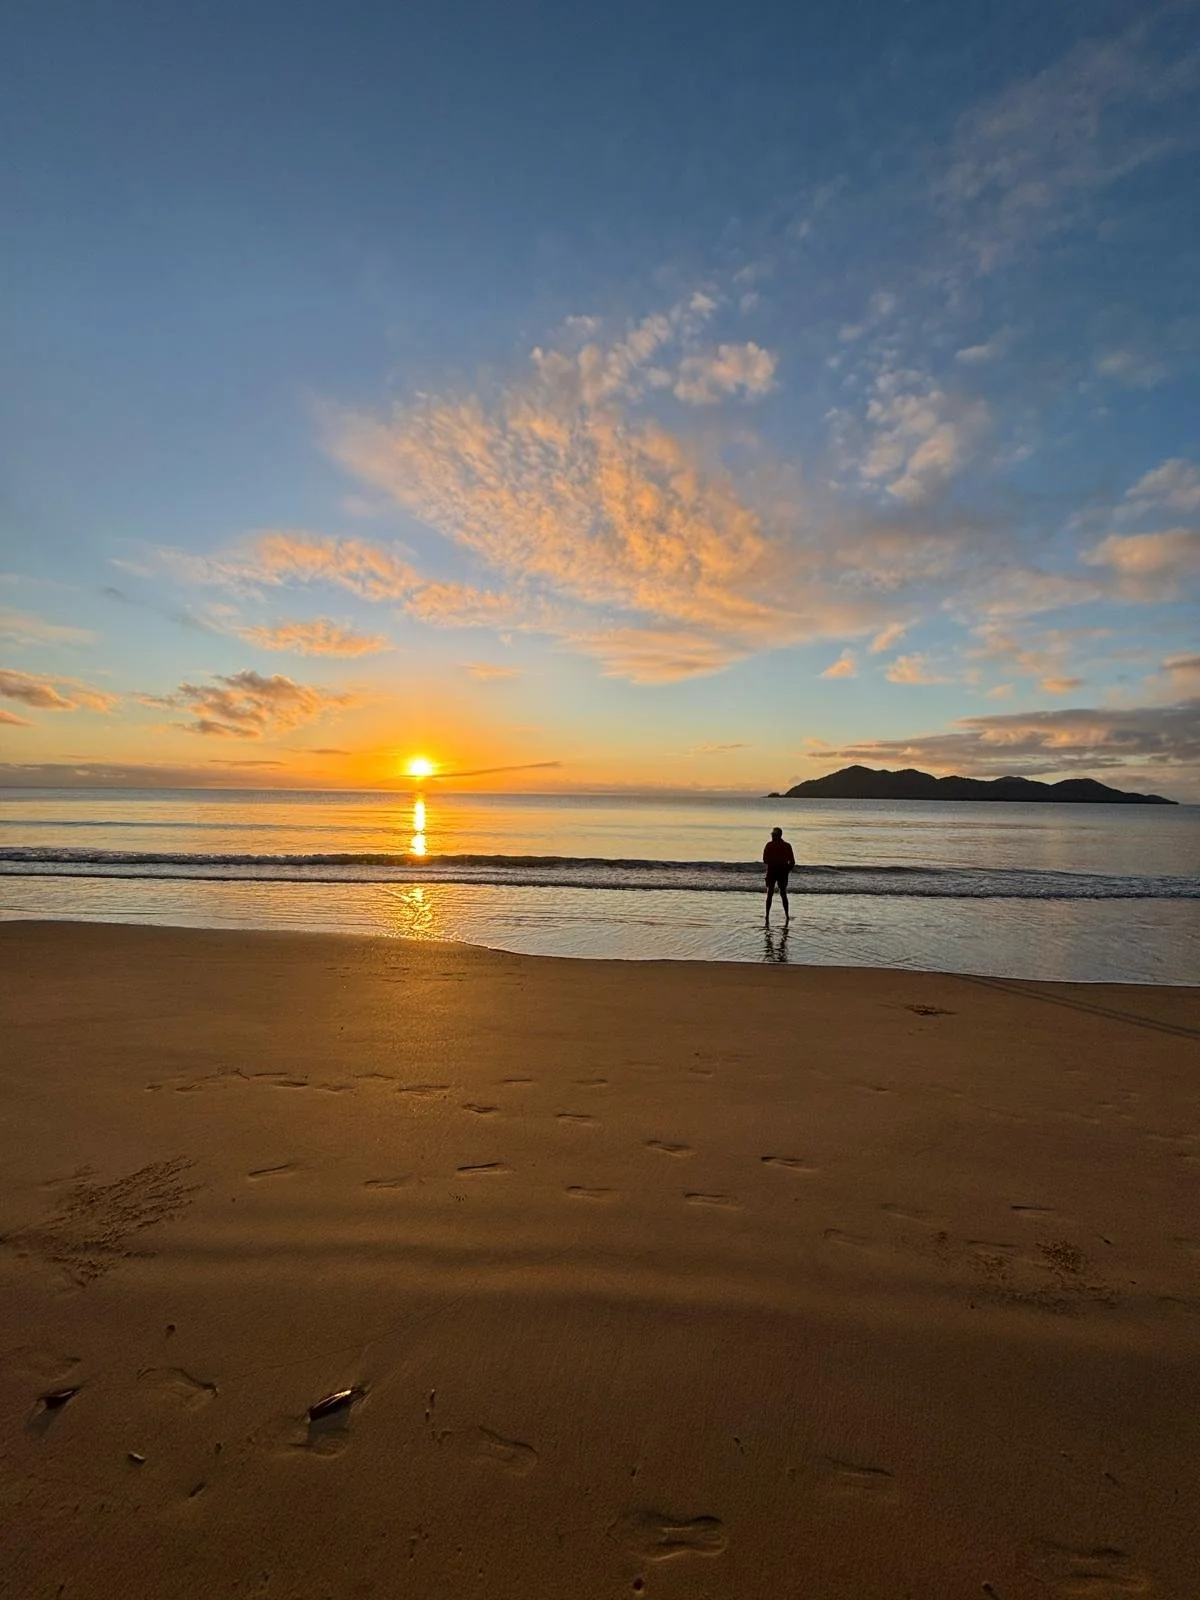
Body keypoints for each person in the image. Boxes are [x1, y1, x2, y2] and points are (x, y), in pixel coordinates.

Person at [762, 826, 795, 925]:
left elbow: (765, 859)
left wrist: (782, 868)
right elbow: (792, 862)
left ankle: (769, 915)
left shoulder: (771, 845)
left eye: (773, 834)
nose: (772, 836)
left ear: (777, 835)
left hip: (774, 871)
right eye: (772, 834)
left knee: (772, 894)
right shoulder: (786, 845)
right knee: (780, 894)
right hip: (779, 872)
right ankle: (785, 915)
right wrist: (786, 870)